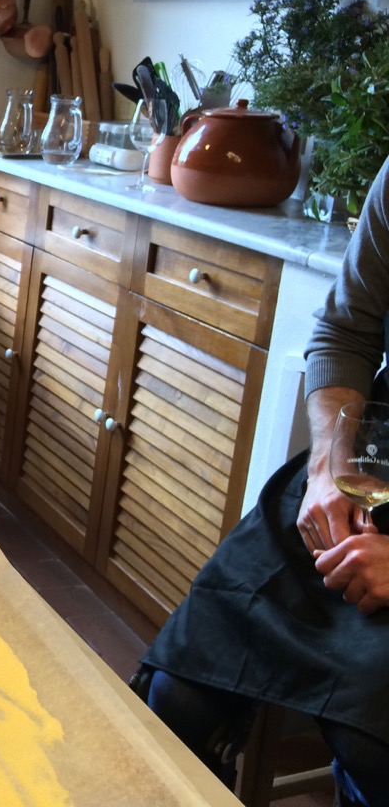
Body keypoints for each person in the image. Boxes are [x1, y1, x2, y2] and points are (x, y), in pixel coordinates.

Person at [136, 162, 389, 806]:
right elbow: (345, 333)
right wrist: (329, 468)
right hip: (372, 469)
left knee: (369, 746)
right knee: (179, 695)